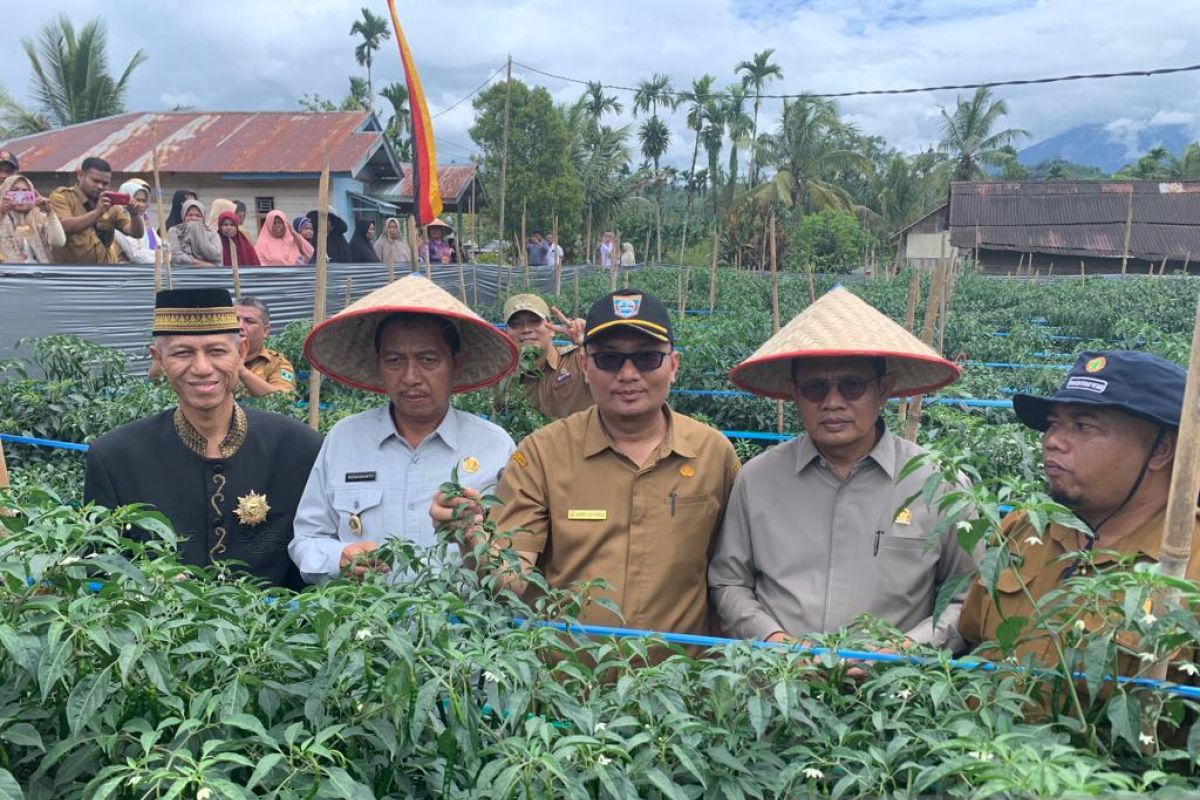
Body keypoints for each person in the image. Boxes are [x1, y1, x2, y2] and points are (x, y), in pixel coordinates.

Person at [432, 289, 741, 635]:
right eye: (608, 359)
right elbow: (511, 583)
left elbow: (733, 577)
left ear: (673, 366)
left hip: (681, 680)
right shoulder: (541, 455)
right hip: (570, 683)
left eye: (647, 358)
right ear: (583, 364)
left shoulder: (714, 454)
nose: (627, 374)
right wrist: (472, 534)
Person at [709, 287, 980, 650]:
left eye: (852, 386)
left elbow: (970, 596)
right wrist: (775, 641)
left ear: (884, 389)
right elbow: (729, 583)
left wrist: (905, 650)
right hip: (780, 686)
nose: (833, 402)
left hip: (897, 697)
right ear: (793, 392)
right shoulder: (758, 479)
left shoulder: (938, 484)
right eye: (815, 388)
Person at [957, 351, 1199, 672]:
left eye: (1083, 426)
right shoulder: (1022, 531)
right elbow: (973, 642)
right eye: (1054, 424)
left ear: (1160, 450)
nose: (1053, 441)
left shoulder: (1188, 561)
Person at [84, 288, 323, 589]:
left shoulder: (299, 447)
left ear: (241, 351)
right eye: (182, 353)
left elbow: (318, 556)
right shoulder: (115, 456)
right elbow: (98, 567)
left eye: (216, 351)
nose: (201, 368)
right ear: (158, 359)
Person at [290, 274, 518, 583]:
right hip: (367, 625)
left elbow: (516, 554)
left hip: (465, 628)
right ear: (378, 364)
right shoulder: (345, 440)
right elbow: (307, 538)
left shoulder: (494, 447)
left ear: (457, 363)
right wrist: (337, 558)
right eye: (395, 360)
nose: (411, 377)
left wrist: (473, 537)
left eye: (428, 359)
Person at [502, 293, 593, 418]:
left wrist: (593, 341)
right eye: (515, 324)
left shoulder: (580, 360)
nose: (525, 329)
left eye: (534, 321)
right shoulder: (503, 378)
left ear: (551, 329)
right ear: (506, 333)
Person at [49, 156, 145, 264]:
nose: (100, 186)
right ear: (80, 175)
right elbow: (65, 226)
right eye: (95, 181)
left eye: (105, 183)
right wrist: (97, 212)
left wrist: (135, 215)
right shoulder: (62, 197)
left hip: (104, 272)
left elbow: (135, 233)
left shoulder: (111, 203)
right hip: (72, 273)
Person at [236, 296, 295, 396]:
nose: (239, 326)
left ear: (265, 331)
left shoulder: (276, 364)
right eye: (235, 320)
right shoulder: (213, 356)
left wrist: (242, 371)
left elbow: (284, 400)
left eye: (249, 321)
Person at [0, 173, 65, 264]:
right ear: (4, 193)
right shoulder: (2, 216)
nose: (20, 195)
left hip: (39, 274)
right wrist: (2, 213)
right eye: (15, 191)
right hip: (8, 274)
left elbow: (58, 242)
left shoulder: (39, 217)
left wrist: (50, 213)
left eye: (25, 191)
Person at [113, 179, 159, 264]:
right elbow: (136, 255)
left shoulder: (144, 223)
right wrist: (160, 258)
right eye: (137, 200)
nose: (141, 204)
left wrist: (162, 256)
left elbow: (164, 250)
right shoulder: (119, 221)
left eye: (144, 200)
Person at [167, 199, 222, 266]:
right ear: (183, 216)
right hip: (181, 274)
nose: (193, 218)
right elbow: (176, 257)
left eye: (198, 215)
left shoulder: (212, 235)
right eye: (190, 215)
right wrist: (206, 264)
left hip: (208, 274)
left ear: (203, 219)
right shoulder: (175, 231)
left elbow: (217, 256)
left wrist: (201, 240)